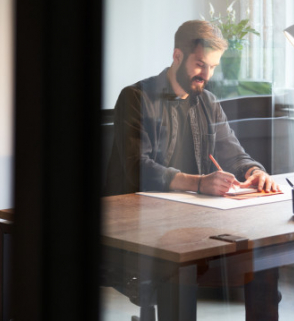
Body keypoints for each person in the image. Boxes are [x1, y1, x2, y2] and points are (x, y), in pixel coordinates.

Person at [105, 20, 281, 320]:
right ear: (177, 56)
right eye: (200, 64)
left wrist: (254, 170)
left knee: (262, 263)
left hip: (196, 226)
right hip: (144, 228)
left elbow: (233, 152)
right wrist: (200, 183)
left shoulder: (208, 102)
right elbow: (138, 168)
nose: (207, 75)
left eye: (212, 67)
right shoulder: (135, 98)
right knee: (180, 273)